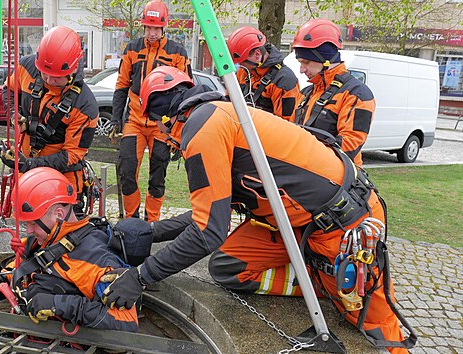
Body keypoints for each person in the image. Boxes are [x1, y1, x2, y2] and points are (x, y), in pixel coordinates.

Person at [100, 67, 415, 353]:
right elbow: (211, 213)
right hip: (294, 221)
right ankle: (317, 279)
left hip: (342, 224)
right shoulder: (214, 116)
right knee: (228, 267)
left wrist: (141, 276)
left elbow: (207, 232)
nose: (159, 133)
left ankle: (330, 286)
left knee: (372, 323)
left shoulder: (203, 129)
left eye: (156, 123)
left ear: (163, 114)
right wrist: (154, 232)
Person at [0, 167, 138, 332]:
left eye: (33, 223)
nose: (29, 231)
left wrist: (60, 305)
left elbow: (127, 322)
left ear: (59, 214)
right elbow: (10, 275)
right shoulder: (44, 241)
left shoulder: (96, 259)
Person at [0, 26, 98, 214]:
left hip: (63, 180)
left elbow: (71, 156)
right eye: (45, 74)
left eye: (56, 77)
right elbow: (9, 89)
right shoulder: (28, 68)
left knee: (57, 234)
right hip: (26, 169)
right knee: (23, 227)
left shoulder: (85, 105)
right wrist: (14, 115)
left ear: (73, 68)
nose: (49, 80)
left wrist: (29, 165)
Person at [109, 0, 192, 222]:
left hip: (162, 125)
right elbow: (121, 85)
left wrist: (179, 131)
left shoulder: (178, 53)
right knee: (127, 172)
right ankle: (131, 219)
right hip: (134, 120)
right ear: (143, 27)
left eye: (156, 28)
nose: (152, 33)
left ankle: (152, 222)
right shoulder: (132, 49)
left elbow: (186, 93)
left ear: (164, 27)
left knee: (158, 175)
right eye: (148, 27)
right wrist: (116, 119)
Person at [292, 19, 375, 166]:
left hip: (337, 178)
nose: (301, 70)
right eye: (300, 63)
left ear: (325, 60)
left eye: (306, 62)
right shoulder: (306, 93)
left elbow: (349, 146)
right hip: (306, 171)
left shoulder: (357, 94)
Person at [227, 26, 301, 121]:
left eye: (242, 62)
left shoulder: (284, 81)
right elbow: (229, 101)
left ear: (257, 54)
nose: (240, 66)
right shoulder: (244, 72)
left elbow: (286, 124)